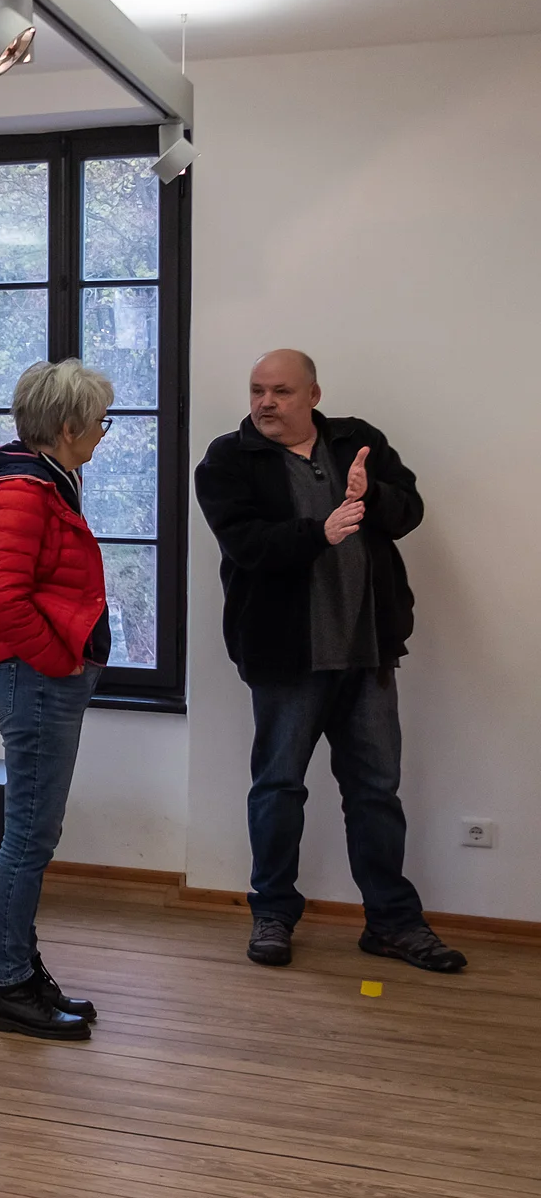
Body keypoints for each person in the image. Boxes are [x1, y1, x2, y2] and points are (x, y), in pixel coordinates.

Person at [194, 350, 467, 973]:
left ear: (313, 394)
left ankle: (392, 923)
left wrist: (370, 499)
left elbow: (410, 511)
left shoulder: (357, 441)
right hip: (287, 659)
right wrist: (321, 531)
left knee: (376, 790)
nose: (265, 403)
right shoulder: (229, 459)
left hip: (367, 652)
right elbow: (246, 544)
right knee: (279, 788)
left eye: (281, 391)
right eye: (258, 391)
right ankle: (273, 913)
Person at [0, 358, 115, 1041]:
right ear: (67, 426)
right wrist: (60, 663)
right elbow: (3, 599)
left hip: (38, 677)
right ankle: (7, 988)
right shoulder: (23, 492)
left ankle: (22, 971)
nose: (104, 433)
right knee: (28, 837)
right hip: (31, 677)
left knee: (33, 835)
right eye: (99, 422)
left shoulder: (48, 478)